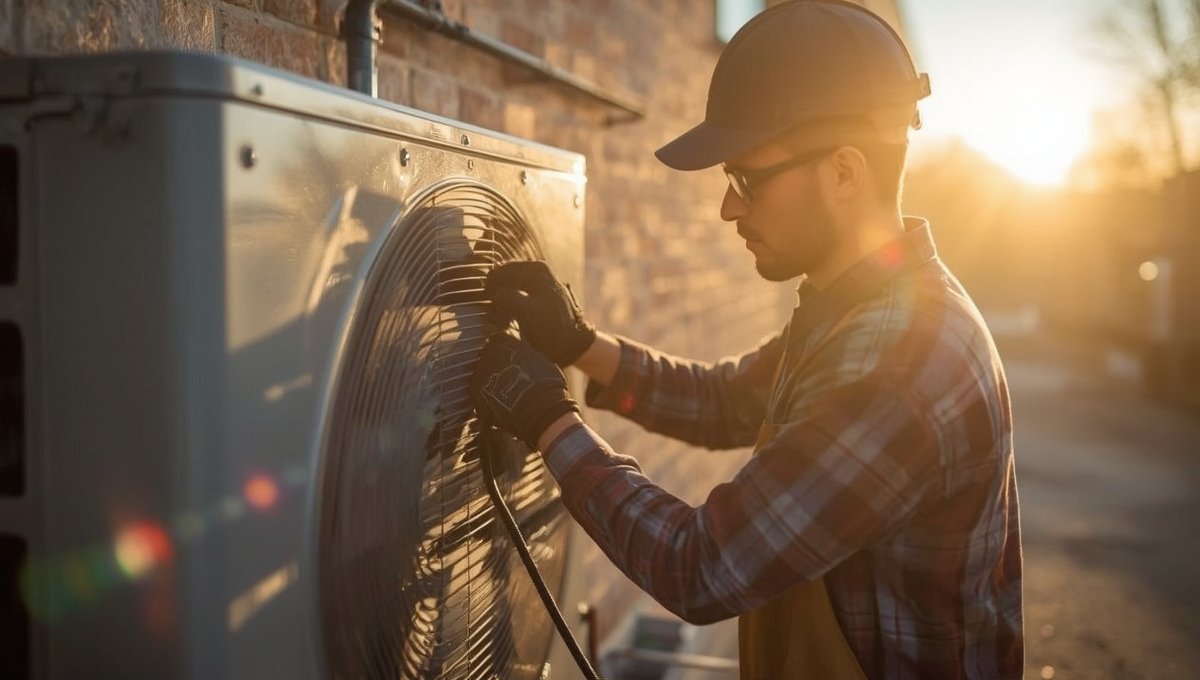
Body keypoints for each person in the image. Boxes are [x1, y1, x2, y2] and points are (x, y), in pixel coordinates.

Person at [469, 1, 1023, 678]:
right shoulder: (857, 307)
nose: (728, 207)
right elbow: (728, 401)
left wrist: (548, 420)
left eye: (746, 180)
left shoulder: (903, 360)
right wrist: (581, 346)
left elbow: (703, 567)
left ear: (844, 172)